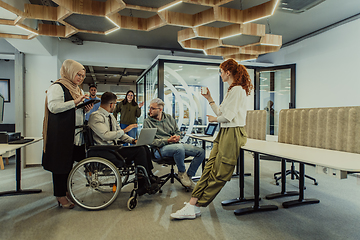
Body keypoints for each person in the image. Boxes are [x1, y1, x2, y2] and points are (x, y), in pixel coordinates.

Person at [170, 58, 253, 219]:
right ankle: (193, 203)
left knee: (220, 173)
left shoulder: (237, 90)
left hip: (233, 133)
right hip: (225, 133)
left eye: (221, 72)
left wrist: (215, 120)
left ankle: (198, 205)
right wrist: (209, 99)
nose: (220, 74)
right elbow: (221, 113)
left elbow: (227, 117)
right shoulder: (232, 90)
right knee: (208, 169)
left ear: (228, 72)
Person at [42, 59, 93, 209]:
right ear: (69, 72)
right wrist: (76, 102)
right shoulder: (58, 87)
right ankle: (60, 195)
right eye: (78, 74)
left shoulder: (78, 89)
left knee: (70, 165)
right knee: (60, 166)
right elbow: (53, 107)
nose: (81, 78)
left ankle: (66, 190)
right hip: (61, 134)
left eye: (83, 76)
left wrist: (85, 109)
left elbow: (75, 110)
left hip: (76, 133)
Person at [88, 92, 159, 195]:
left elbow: (119, 134)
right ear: (111, 104)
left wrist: (133, 141)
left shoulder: (111, 117)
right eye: (115, 104)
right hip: (105, 150)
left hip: (114, 148)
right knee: (139, 151)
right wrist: (125, 130)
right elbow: (106, 135)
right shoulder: (96, 116)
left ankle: (149, 176)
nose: (115, 106)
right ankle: (144, 183)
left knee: (143, 147)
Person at [143, 98, 205, 188]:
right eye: (150, 108)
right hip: (159, 149)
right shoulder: (147, 122)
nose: (150, 110)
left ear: (160, 109)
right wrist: (168, 140)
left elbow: (177, 131)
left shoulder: (169, 118)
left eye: (152, 108)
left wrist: (177, 136)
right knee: (179, 148)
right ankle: (182, 173)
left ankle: (188, 176)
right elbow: (150, 142)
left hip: (174, 145)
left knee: (201, 152)